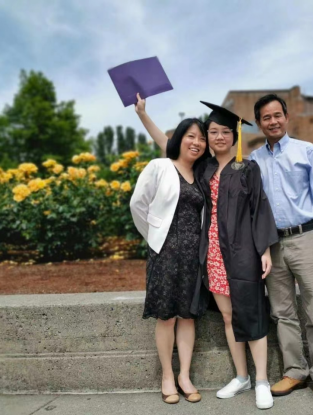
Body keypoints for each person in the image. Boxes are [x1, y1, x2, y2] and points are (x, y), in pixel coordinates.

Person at [135, 95, 279, 410]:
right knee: (227, 316)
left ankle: (262, 381)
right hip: (212, 253)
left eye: (225, 132)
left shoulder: (247, 168)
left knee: (251, 312)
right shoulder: (204, 168)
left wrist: (265, 250)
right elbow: (170, 146)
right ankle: (241, 377)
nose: (218, 137)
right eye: (213, 132)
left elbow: (259, 209)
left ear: (234, 136)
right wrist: (143, 115)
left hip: (243, 252)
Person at [248, 94, 313, 403]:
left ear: (286, 117)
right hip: (272, 244)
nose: (273, 121)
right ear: (258, 123)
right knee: (282, 312)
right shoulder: (254, 160)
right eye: (266, 117)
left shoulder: (306, 150)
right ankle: (295, 371)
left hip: (305, 237)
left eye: (277, 115)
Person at [129, 117, 209, 405]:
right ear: (179, 139)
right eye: (191, 136)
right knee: (166, 317)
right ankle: (167, 376)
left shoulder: (201, 174)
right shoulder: (160, 166)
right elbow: (137, 204)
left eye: (201, 138)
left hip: (193, 256)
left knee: (187, 316)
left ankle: (184, 376)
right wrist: (154, 236)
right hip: (164, 254)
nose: (196, 142)